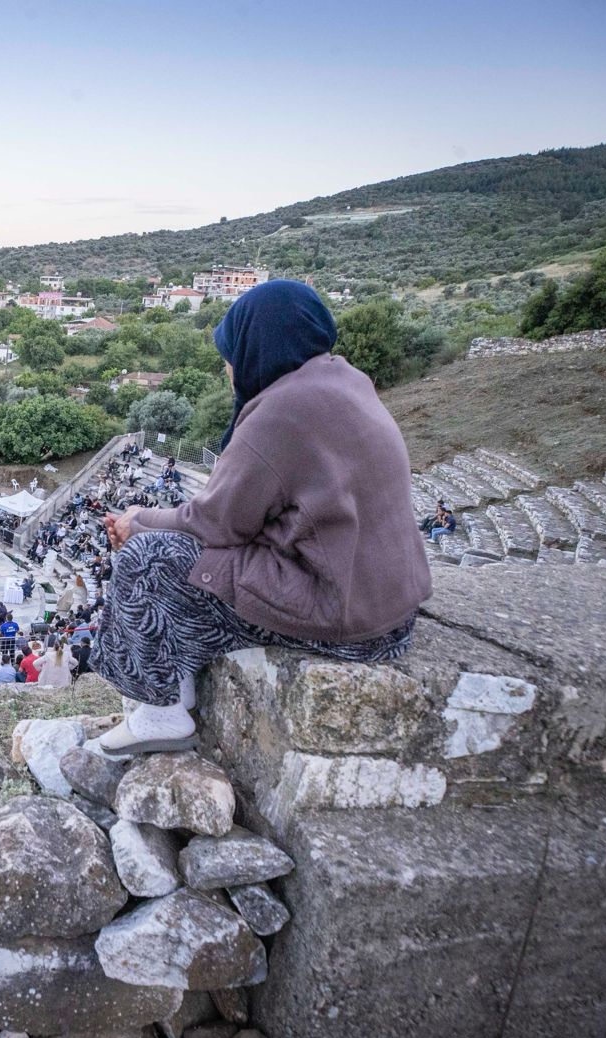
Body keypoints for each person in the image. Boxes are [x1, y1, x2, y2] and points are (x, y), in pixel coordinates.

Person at [93, 281, 431, 755]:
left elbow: (216, 523)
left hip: (345, 618)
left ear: (259, 346)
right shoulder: (344, 379)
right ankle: (178, 686)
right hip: (388, 605)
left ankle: (160, 713)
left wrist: (137, 522)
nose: (227, 365)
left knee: (147, 558)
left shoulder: (281, 414)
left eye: (231, 351)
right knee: (185, 554)